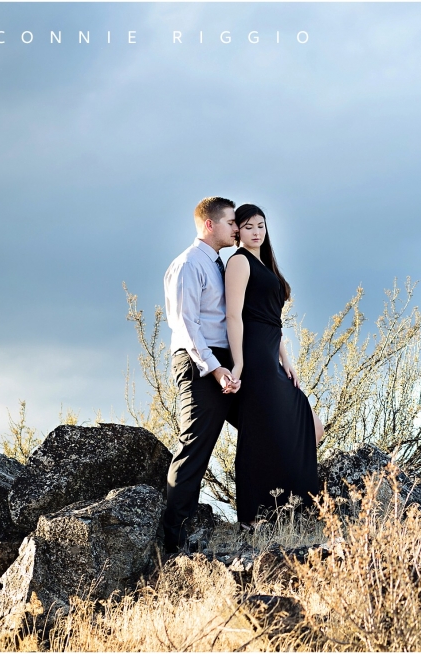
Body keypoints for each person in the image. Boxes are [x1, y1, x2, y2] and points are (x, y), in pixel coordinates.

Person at [225, 203, 323, 526]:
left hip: (271, 355)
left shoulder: (264, 263)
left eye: (261, 226)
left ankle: (288, 508)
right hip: (254, 356)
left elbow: (274, 321)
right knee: (261, 431)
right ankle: (253, 517)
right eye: (249, 226)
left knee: (306, 427)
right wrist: (238, 363)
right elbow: (235, 316)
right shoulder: (239, 262)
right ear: (238, 231)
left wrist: (287, 359)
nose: (256, 232)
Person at [162, 196, 242, 554]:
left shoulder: (221, 264)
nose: (236, 229)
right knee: (195, 446)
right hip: (199, 364)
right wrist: (214, 369)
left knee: (267, 425)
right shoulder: (187, 265)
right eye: (231, 222)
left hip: (225, 363)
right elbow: (186, 326)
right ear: (210, 224)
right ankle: (175, 543)